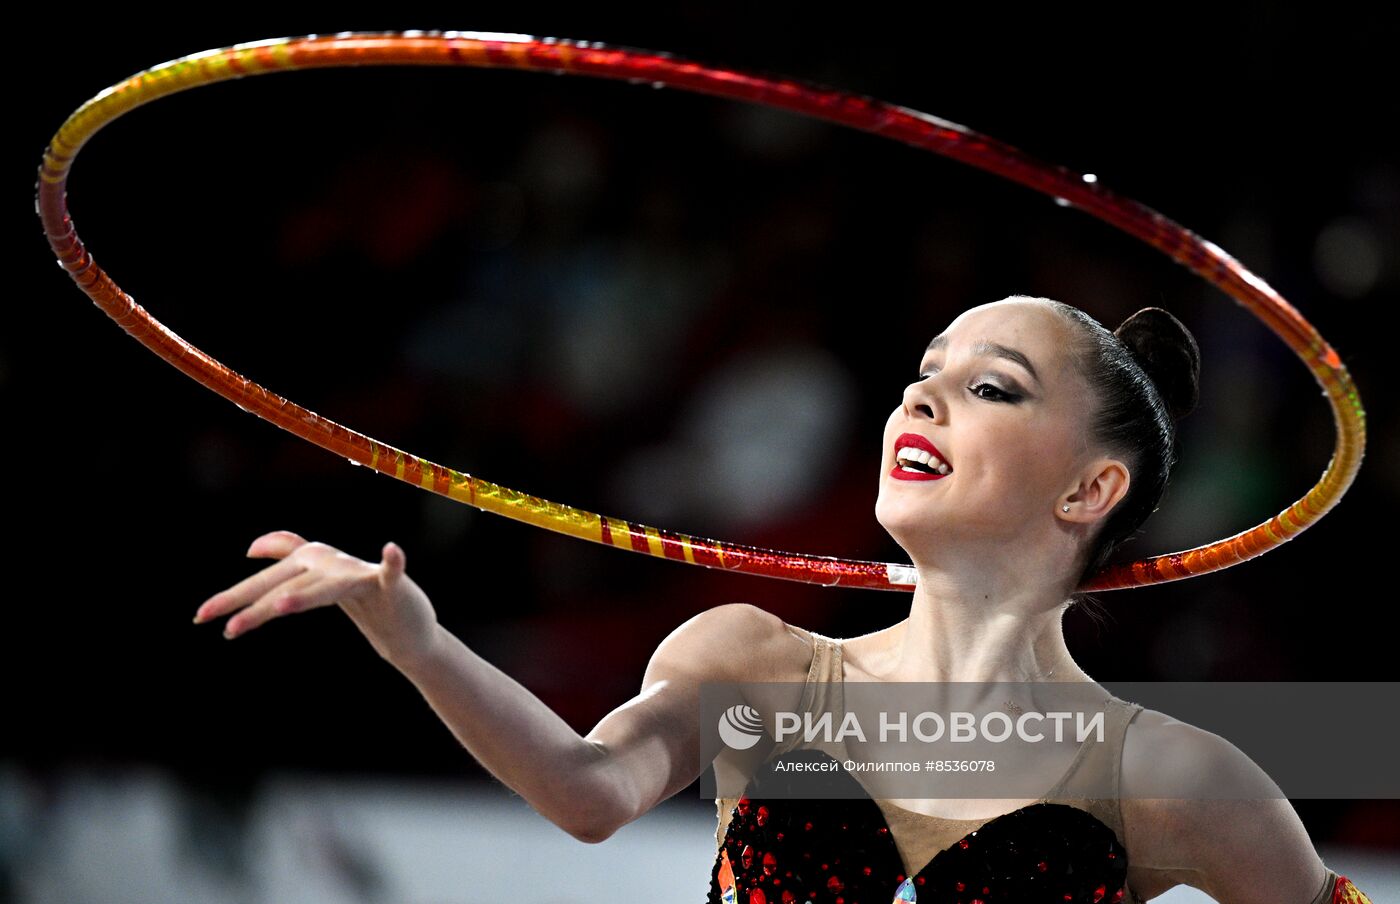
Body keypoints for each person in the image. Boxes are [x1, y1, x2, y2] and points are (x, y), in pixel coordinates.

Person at [192, 295, 1370, 903]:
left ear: (1088, 488)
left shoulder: (1171, 776)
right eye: (922, 376)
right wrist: (418, 642)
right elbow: (587, 790)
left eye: (990, 388)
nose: (920, 401)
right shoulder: (755, 664)